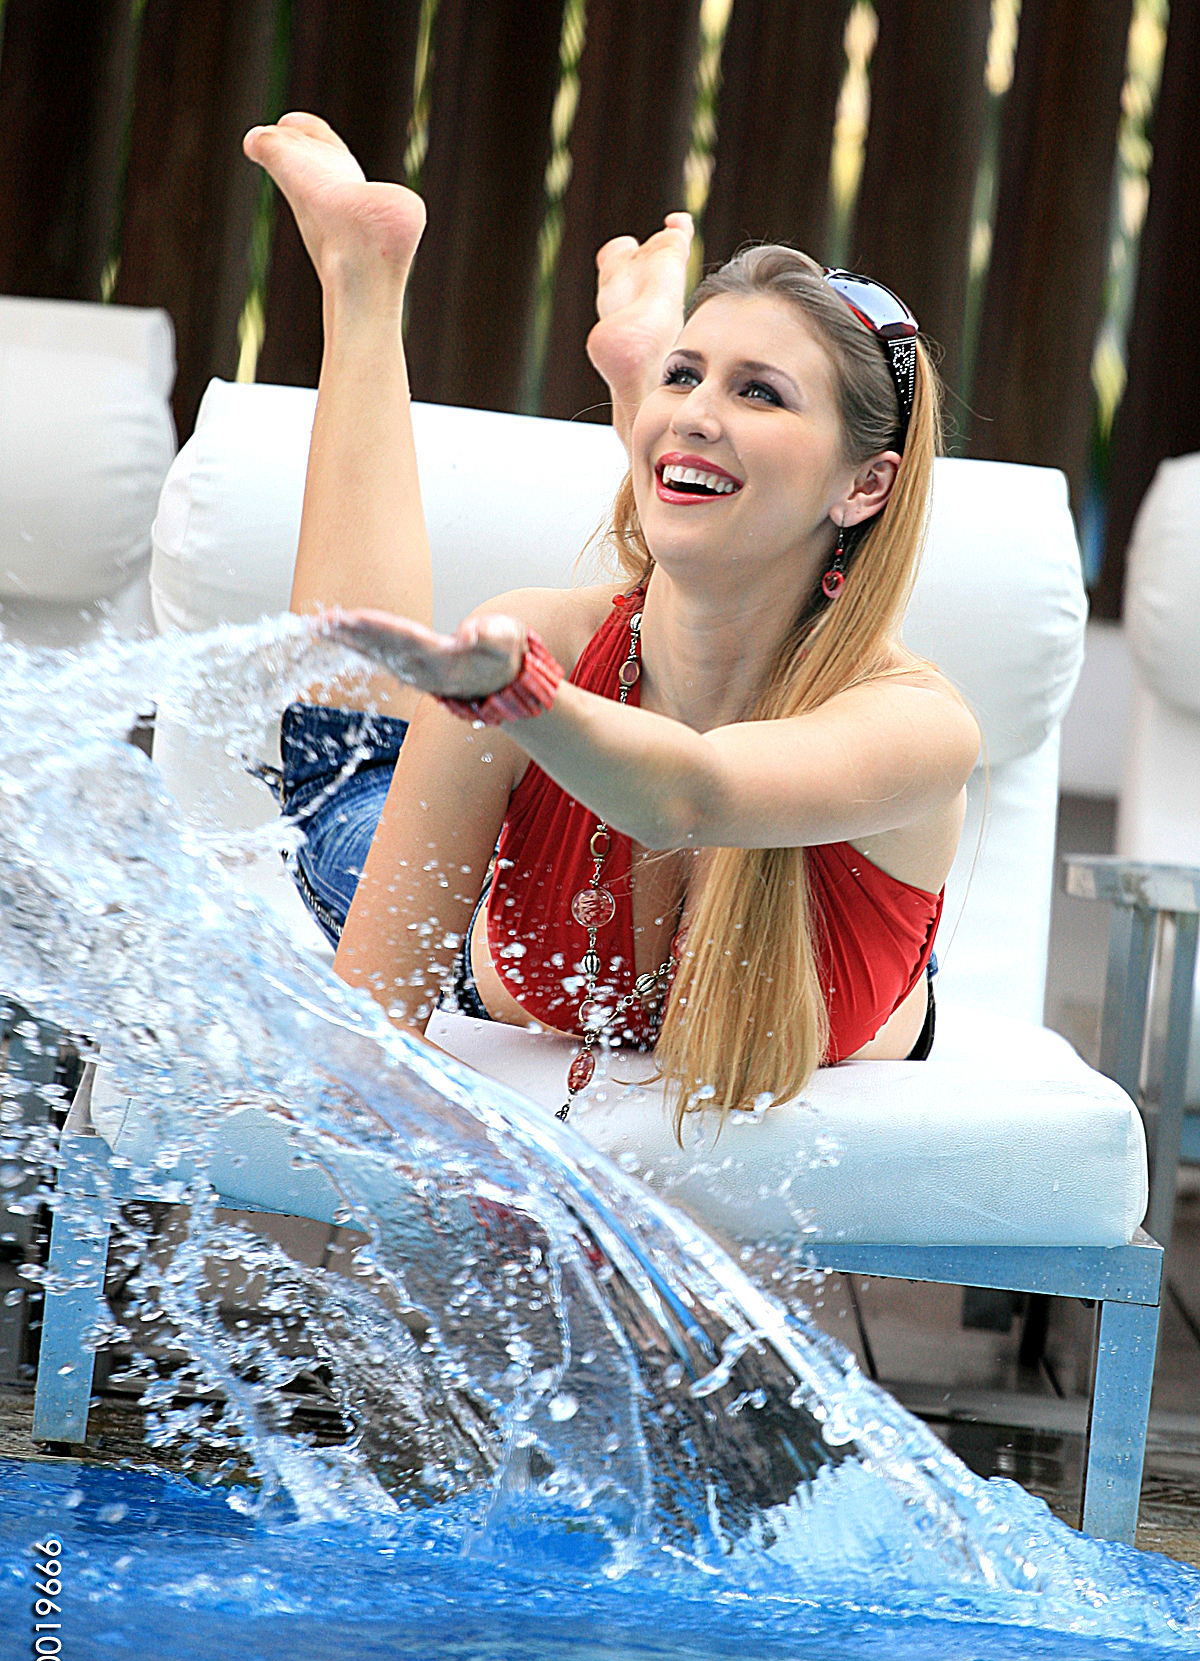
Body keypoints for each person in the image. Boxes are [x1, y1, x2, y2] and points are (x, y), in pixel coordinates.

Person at [243, 114, 980, 1134]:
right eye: (683, 377)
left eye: (757, 391)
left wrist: (519, 696)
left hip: (786, 848)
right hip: (509, 907)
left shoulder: (919, 729)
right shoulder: (535, 633)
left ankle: (640, 352)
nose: (695, 413)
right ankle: (363, 282)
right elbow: (367, 1041)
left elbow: (695, 792)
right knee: (347, 780)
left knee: (695, 600)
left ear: (865, 485)